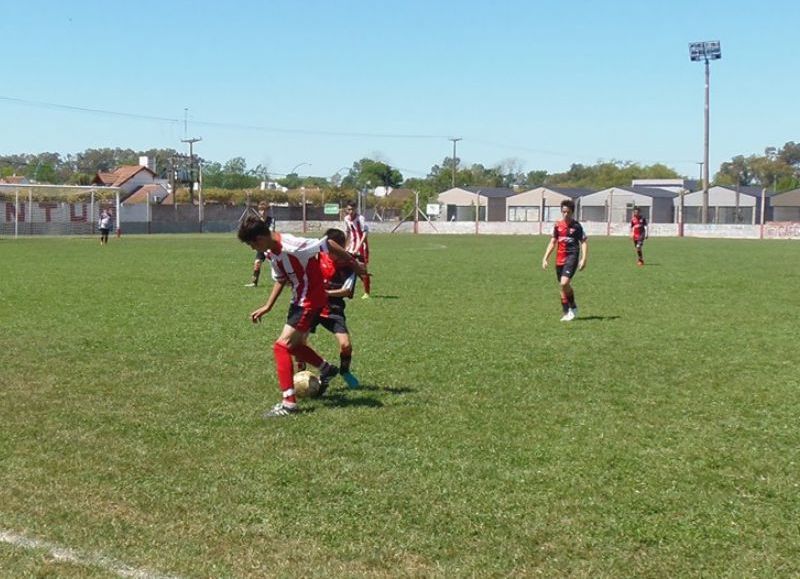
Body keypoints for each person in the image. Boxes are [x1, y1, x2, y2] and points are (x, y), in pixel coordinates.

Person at [237, 214, 366, 418]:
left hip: (309, 300)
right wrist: (268, 306)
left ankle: (289, 403)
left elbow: (329, 243)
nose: (253, 250)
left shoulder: (293, 245)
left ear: (259, 239)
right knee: (295, 346)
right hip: (299, 300)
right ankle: (327, 369)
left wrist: (354, 264)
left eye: (252, 245)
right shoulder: (273, 252)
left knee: (281, 346)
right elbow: (281, 279)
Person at [309, 228, 361, 389]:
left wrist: (325, 293)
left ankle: (345, 371)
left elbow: (346, 291)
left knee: (346, 345)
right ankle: (301, 373)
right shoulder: (316, 256)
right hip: (312, 306)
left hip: (334, 309)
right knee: (299, 342)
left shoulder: (350, 265)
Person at [541, 199, 588, 322]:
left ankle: (573, 307)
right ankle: (566, 312)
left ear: (572, 212)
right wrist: (545, 257)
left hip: (572, 257)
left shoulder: (577, 226)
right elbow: (553, 242)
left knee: (564, 283)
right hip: (559, 259)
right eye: (563, 212)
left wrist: (583, 259)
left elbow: (583, 242)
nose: (565, 214)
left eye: (568, 212)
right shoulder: (557, 225)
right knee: (563, 286)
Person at [344, 200, 371, 298]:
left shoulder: (360, 218)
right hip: (351, 247)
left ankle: (366, 292)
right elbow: (348, 232)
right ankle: (347, 289)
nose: (350, 211)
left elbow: (365, 233)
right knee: (348, 268)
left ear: (355, 209)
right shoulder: (346, 219)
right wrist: (345, 245)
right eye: (348, 209)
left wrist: (359, 246)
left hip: (361, 248)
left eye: (352, 209)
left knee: (362, 270)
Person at [244, 201, 270, 287]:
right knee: (257, 262)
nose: (263, 212)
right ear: (258, 211)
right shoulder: (256, 221)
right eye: (261, 210)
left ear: (267, 211)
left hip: (270, 246)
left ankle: (288, 281)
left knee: (278, 264)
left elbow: (271, 231)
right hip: (261, 246)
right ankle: (254, 283)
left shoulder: (271, 220)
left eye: (265, 210)